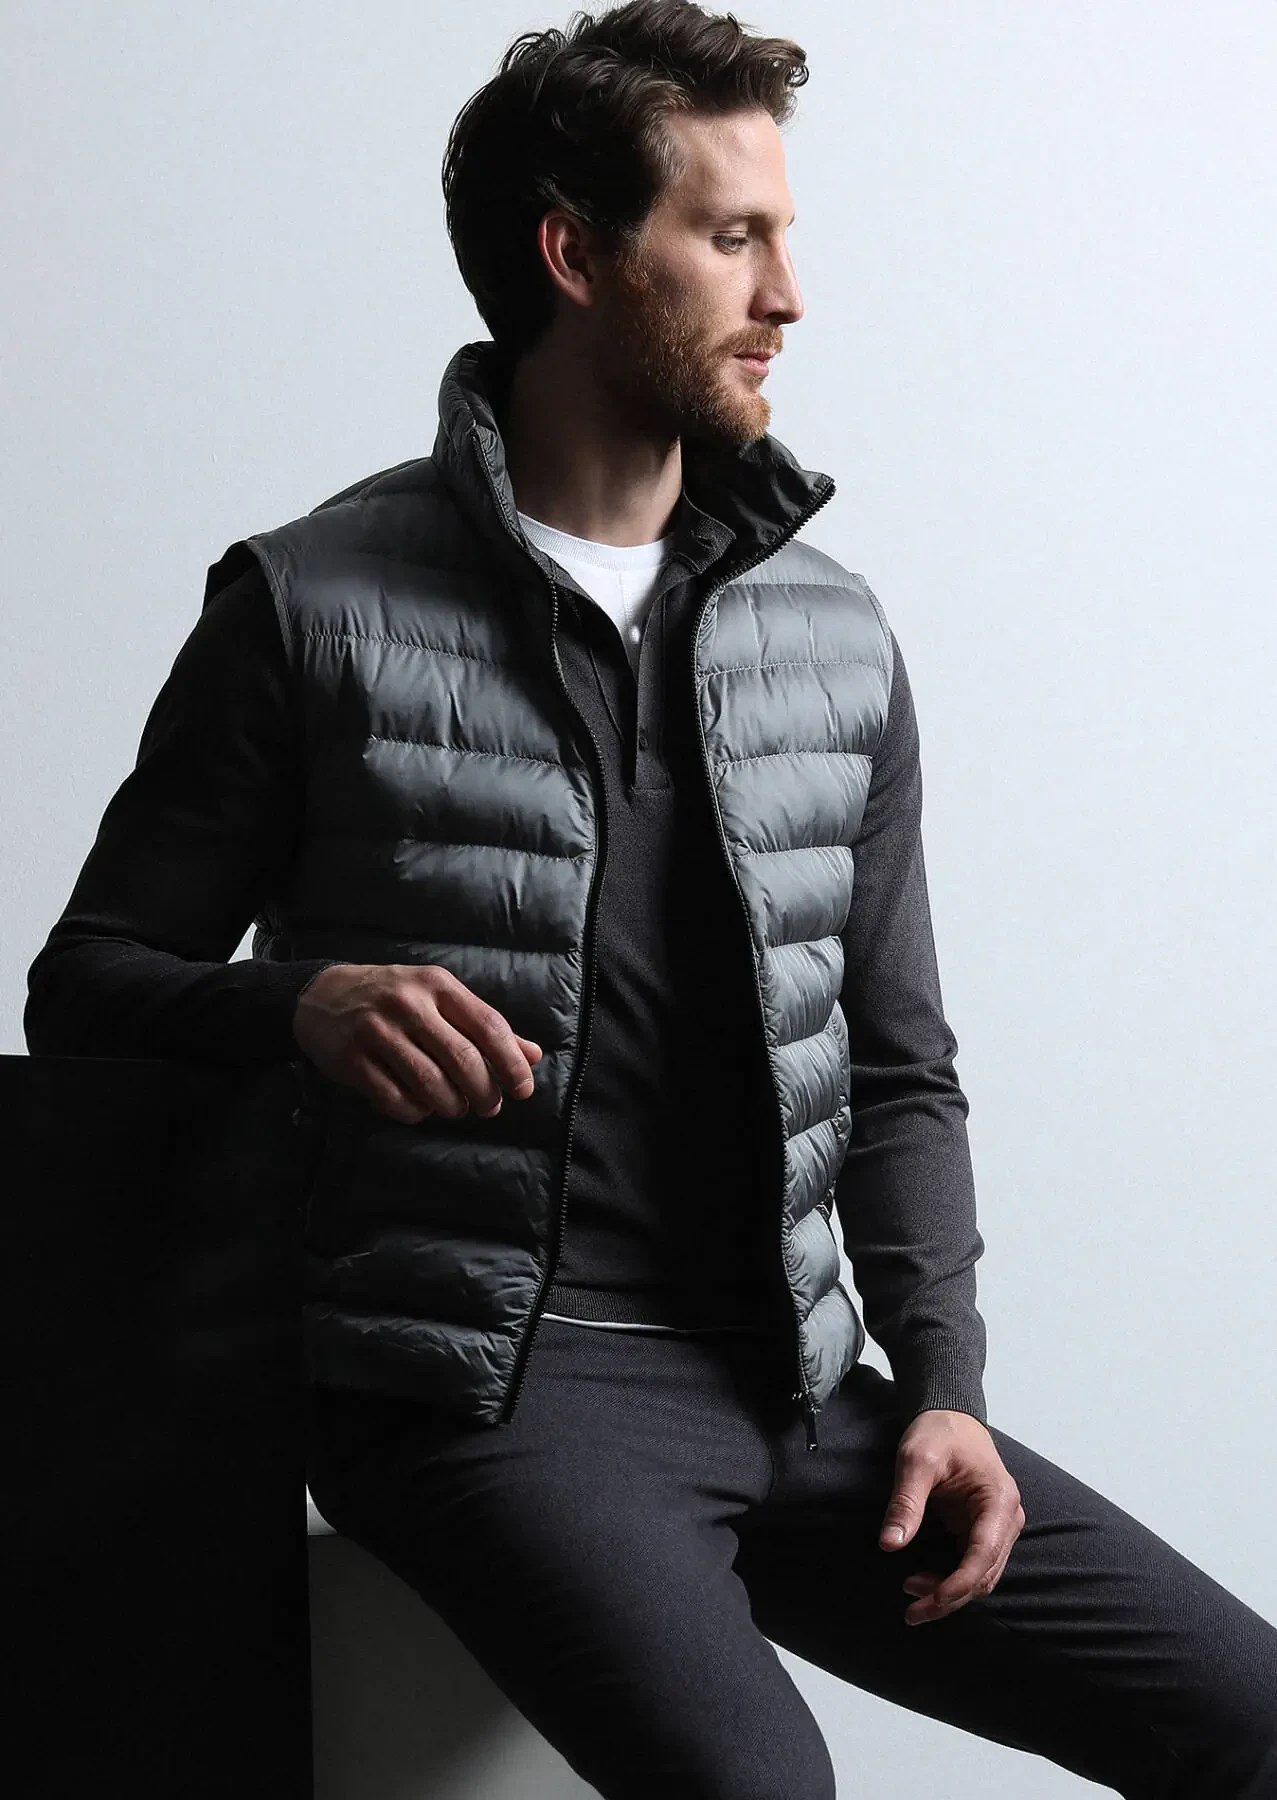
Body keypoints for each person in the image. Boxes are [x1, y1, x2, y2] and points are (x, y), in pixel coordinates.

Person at [26, 3, 1277, 1794]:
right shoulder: (309, 608)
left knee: (1252, 1717)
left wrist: (944, 1384)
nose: (789, 297)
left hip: (804, 1392)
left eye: (786, 237)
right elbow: (86, 984)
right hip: (484, 1388)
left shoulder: (829, 631)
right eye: (733, 236)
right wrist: (297, 1005)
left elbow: (899, 1069)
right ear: (576, 255)